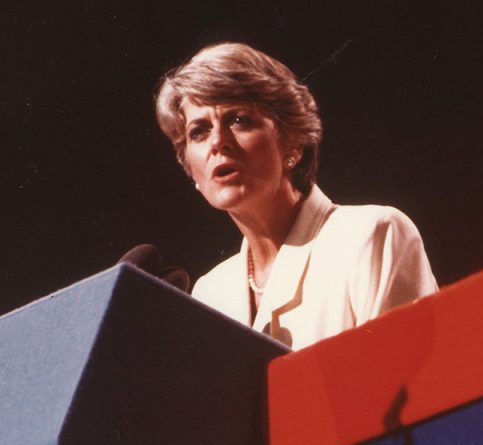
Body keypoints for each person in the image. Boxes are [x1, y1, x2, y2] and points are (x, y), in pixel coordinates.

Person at [155, 42, 437, 349]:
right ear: (191, 170)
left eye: (239, 120)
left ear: (294, 144)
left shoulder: (371, 235)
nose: (218, 142)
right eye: (199, 131)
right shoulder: (210, 293)